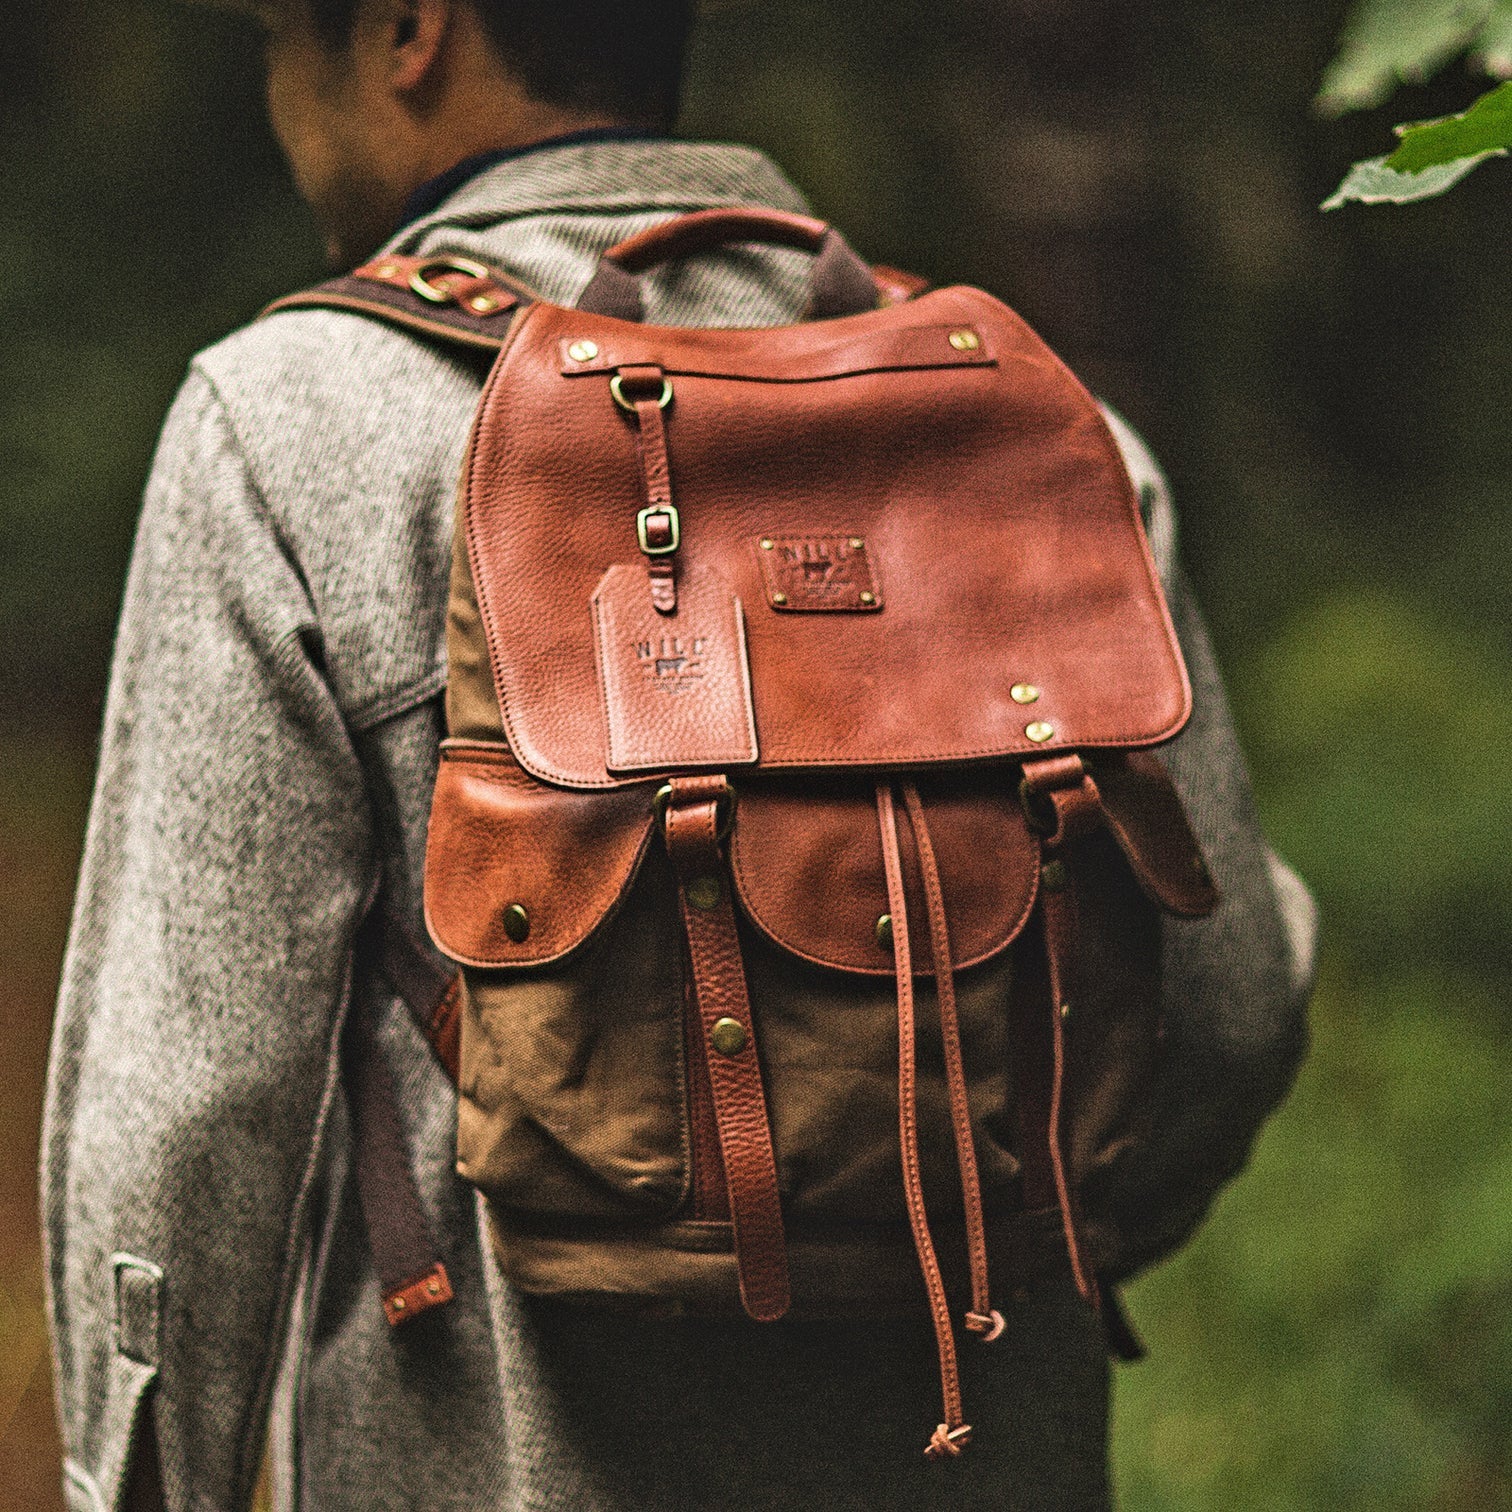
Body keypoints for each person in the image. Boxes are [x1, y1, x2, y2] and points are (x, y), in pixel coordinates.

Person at [41, 2, 1317, 1508]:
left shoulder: (291, 424)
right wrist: (1018, 1234)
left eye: (274, 38)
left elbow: (188, 1118)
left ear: (407, 30)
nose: (275, 97)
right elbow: (1230, 1009)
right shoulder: (1039, 428)